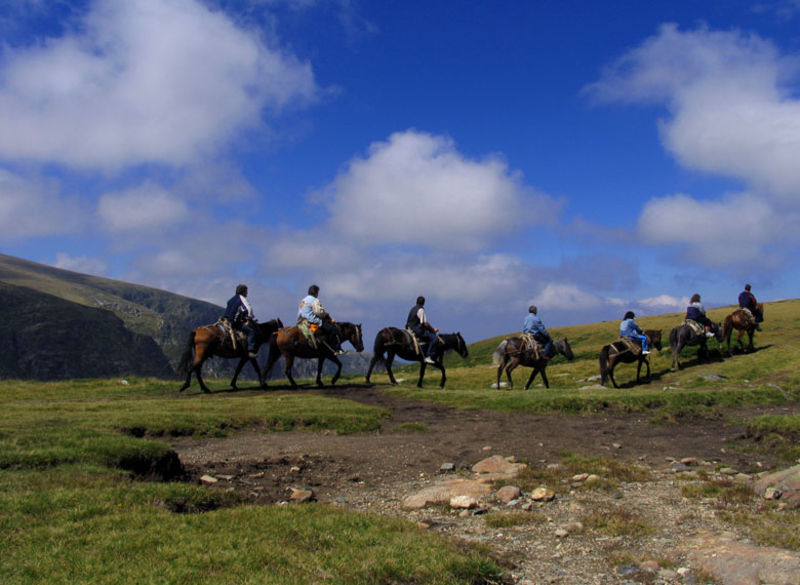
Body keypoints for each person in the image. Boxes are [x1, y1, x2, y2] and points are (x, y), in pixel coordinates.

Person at [297, 285, 344, 354]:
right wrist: (325, 314)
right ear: (316, 292)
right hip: (312, 320)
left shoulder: (303, 300)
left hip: (301, 321)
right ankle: (335, 349)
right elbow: (319, 312)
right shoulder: (314, 300)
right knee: (332, 329)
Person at [223, 284, 257, 357]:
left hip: (225, 321)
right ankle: (251, 351)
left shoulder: (231, 299)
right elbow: (249, 309)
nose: (247, 293)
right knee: (251, 331)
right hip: (234, 323)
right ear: (243, 291)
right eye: (246, 291)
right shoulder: (242, 299)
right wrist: (249, 319)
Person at [406, 296, 439, 364]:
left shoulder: (413, 309)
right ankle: (428, 356)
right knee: (434, 339)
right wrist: (433, 329)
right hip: (417, 330)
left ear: (416, 301)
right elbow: (425, 323)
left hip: (409, 328)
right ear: (423, 303)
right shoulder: (421, 310)